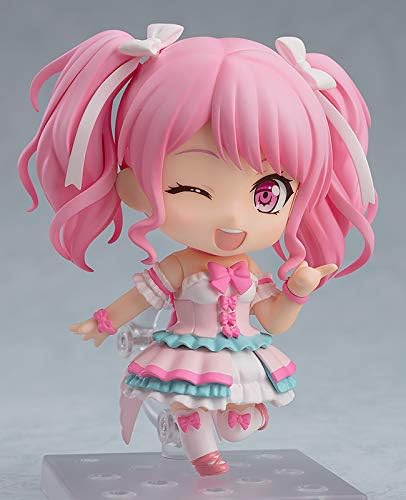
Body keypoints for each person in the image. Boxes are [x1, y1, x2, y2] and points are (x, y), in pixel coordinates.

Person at [18, 23, 377, 477]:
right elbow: (141, 298)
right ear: (133, 185)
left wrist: (297, 292)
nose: (232, 220)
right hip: (187, 351)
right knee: (184, 403)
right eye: (190, 189)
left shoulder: (251, 269)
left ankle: (242, 421)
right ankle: (203, 455)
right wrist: (103, 322)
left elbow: (273, 321)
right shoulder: (180, 266)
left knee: (236, 424)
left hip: (239, 357)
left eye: (267, 194)